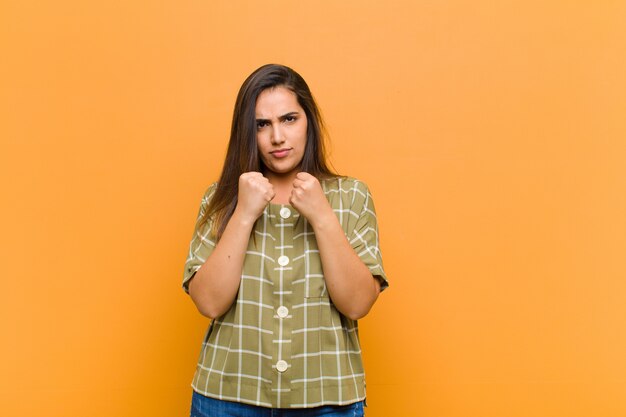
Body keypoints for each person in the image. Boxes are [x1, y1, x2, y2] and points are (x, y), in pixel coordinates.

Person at [182, 64, 388, 417]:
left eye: (289, 119)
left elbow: (357, 304)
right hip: (227, 400)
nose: (277, 137)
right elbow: (209, 303)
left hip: (327, 401)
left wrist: (322, 216)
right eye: (262, 124)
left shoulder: (351, 196)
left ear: (309, 121)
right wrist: (244, 214)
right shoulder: (221, 199)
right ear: (248, 132)